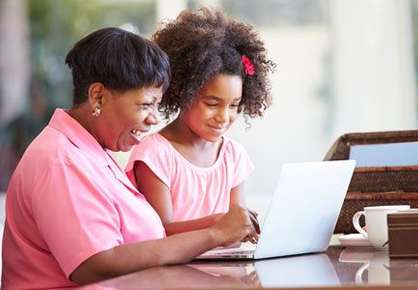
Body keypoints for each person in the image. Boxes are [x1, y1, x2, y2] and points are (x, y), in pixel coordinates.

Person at [1, 27, 257, 289]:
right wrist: (214, 234)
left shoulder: (92, 152)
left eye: (157, 105)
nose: (154, 118)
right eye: (146, 105)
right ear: (98, 96)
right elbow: (97, 263)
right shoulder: (61, 160)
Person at [125, 8, 275, 237]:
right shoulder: (154, 156)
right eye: (212, 104)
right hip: (171, 271)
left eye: (234, 105)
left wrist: (245, 227)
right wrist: (217, 222)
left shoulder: (232, 155)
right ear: (183, 92)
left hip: (226, 270)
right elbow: (159, 233)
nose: (224, 117)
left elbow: (234, 228)